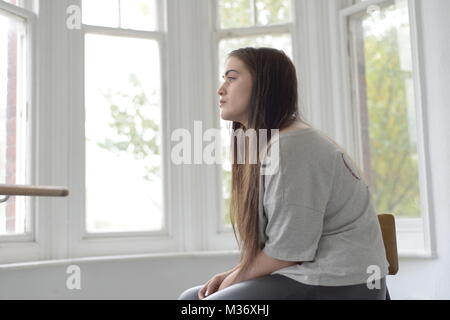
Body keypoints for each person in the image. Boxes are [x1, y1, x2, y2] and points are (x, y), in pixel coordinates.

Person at [178, 47, 390, 300]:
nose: (221, 89)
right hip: (309, 276)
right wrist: (233, 274)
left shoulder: (292, 146)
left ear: (263, 86)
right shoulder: (273, 143)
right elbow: (283, 246)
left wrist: (234, 280)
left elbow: (290, 251)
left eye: (231, 78)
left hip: (339, 283)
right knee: (191, 299)